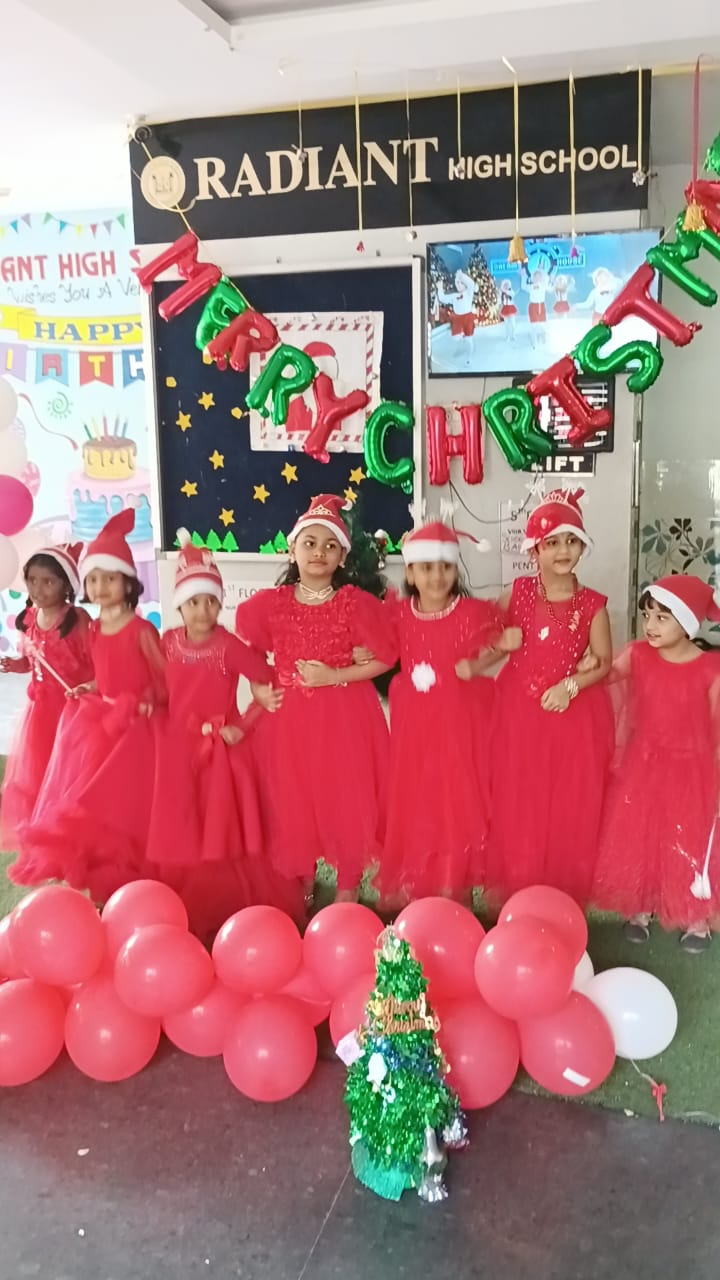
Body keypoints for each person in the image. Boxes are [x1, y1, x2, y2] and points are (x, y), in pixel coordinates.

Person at [234, 494, 397, 909]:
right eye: (310, 543)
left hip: (344, 718)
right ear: (292, 549)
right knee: (293, 799)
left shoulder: (354, 604)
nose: (319, 553)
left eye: (329, 546)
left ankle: (348, 883)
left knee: (346, 798)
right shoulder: (271, 604)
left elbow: (385, 657)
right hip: (288, 720)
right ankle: (301, 876)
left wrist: (335, 675)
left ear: (342, 557)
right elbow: (249, 651)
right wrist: (258, 686)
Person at [146, 531, 302, 932]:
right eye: (194, 602)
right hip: (178, 752)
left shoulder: (228, 645)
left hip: (222, 754)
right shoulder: (167, 643)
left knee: (224, 827)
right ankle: (179, 897)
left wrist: (243, 724)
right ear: (180, 605)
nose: (203, 611)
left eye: (210, 601)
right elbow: (156, 687)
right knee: (185, 822)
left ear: (220, 603)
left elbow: (271, 680)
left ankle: (230, 899)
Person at [9, 508, 167, 902]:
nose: (100, 586)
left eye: (109, 578)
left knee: (130, 799)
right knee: (92, 796)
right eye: (93, 578)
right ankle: (101, 868)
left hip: (137, 725)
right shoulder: (95, 627)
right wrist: (89, 687)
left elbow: (163, 677)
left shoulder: (141, 629)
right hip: (100, 719)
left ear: (128, 582)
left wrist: (147, 700)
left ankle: (138, 869)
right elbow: (104, 673)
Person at [485, 489, 614, 904]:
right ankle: (518, 886)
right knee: (519, 796)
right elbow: (488, 640)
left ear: (582, 546)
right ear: (535, 549)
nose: (563, 550)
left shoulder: (593, 605)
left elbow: (604, 661)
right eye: (552, 542)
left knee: (566, 802)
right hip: (518, 713)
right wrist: (493, 644)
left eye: (571, 541)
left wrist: (570, 686)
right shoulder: (517, 592)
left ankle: (560, 895)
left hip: (571, 718)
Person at [378, 522, 515, 903]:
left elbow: (499, 642)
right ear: (410, 573)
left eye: (446, 567)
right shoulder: (399, 615)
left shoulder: (471, 613)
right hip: (415, 727)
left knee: (458, 803)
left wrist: (478, 664)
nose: (437, 576)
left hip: (460, 726)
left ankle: (455, 884)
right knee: (420, 800)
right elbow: (383, 651)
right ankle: (422, 881)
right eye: (426, 568)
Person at [592, 576, 720, 952]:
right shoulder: (637, 655)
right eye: (647, 615)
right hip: (643, 764)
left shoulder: (711, 668)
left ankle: (694, 915)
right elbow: (604, 676)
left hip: (692, 769)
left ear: (688, 621)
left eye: (662, 618)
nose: (649, 625)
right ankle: (640, 906)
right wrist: (585, 663)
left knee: (687, 836)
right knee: (641, 834)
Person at [0, 543, 92, 849]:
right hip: (39, 712)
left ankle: (70, 825)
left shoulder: (76, 620)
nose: (38, 589)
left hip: (71, 711)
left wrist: (91, 688)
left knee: (69, 770)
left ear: (66, 586)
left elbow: (96, 663)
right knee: (39, 769)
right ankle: (43, 825)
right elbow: (35, 660)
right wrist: (19, 665)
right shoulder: (29, 618)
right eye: (32, 580)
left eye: (48, 582)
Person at [436, 269, 477, 366]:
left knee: (469, 340)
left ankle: (469, 358)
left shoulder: (468, 293)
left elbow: (471, 284)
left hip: (467, 318)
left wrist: (462, 276)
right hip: (458, 319)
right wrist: (440, 289)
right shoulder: (454, 296)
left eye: (460, 283)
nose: (457, 285)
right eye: (456, 283)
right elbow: (443, 298)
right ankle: (463, 336)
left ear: (464, 284)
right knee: (455, 338)